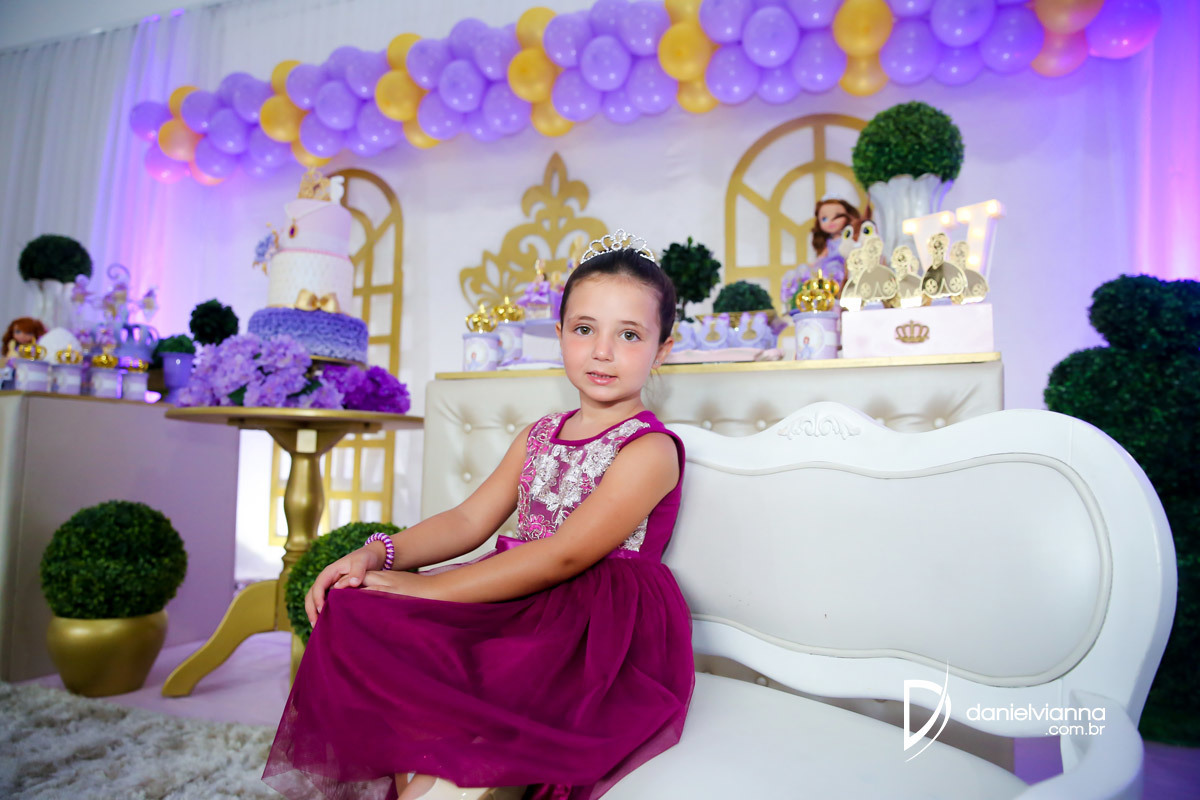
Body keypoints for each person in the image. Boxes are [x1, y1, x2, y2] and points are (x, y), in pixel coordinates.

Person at [264, 234, 694, 800]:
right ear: (560, 334)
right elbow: (469, 521)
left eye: (630, 335)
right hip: (523, 593)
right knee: (360, 607)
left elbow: (564, 554)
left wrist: (426, 589)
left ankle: (456, 777)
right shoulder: (539, 434)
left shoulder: (650, 449)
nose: (602, 351)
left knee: (474, 660)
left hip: (595, 629)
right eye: (585, 329)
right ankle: (424, 777)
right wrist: (379, 553)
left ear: (662, 350)